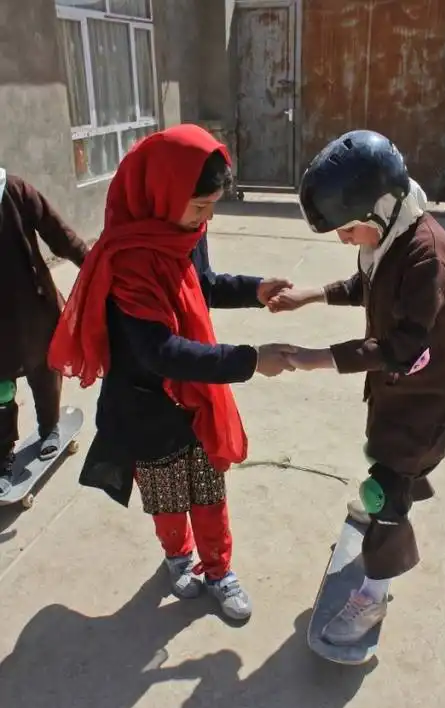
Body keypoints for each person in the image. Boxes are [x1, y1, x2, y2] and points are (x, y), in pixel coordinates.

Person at [48, 124, 295, 622]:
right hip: (146, 402)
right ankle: (177, 556)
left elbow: (201, 286)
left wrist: (254, 289)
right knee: (166, 497)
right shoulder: (129, 258)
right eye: (199, 206)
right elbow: (160, 351)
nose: (205, 219)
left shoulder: (184, 232)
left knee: (208, 489)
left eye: (212, 207)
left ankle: (219, 568)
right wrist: (249, 359)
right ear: (161, 192)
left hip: (195, 394)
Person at [269, 130, 445, 645]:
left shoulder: (428, 257)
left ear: (382, 207)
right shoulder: (390, 237)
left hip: (426, 398)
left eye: (348, 229)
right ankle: (397, 489)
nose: (344, 239)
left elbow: (403, 346)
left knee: (384, 492)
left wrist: (317, 359)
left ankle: (374, 594)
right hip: (396, 392)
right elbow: (368, 285)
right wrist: (311, 295)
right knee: (384, 463)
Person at [0, 169, 88, 496]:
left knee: (43, 371)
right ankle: (2, 457)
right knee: (0, 391)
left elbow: (59, 234)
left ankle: (49, 428)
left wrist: (95, 265)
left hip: (31, 308)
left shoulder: (14, 189)